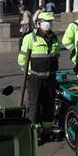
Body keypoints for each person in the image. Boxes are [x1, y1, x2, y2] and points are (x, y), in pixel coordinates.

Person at [18, 11, 60, 141]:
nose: (49, 24)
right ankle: (35, 133)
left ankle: (47, 131)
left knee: (49, 105)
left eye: (51, 22)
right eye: (47, 22)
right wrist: (32, 71)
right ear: (39, 23)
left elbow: (56, 56)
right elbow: (21, 60)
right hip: (35, 78)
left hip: (50, 78)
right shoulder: (30, 38)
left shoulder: (55, 38)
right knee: (35, 106)